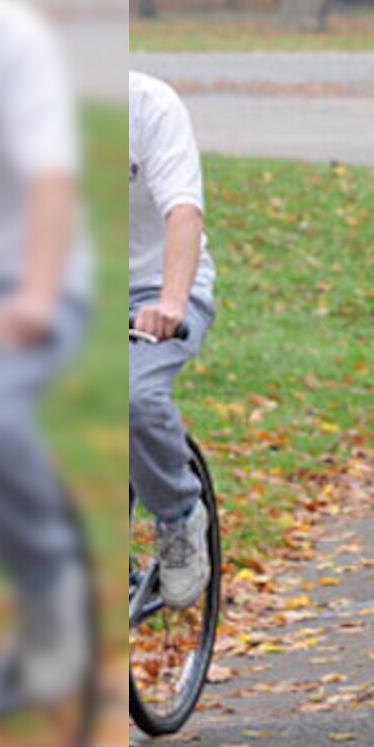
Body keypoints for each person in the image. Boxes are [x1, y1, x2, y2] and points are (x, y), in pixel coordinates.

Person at [0, 0, 92, 714]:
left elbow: (50, 181)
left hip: (26, 280)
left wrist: (36, 297)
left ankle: (51, 581)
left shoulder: (7, 37)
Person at [129, 71, 216, 609]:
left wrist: (172, 302)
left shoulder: (149, 106)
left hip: (157, 289)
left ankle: (180, 515)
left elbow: (183, 210)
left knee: (133, 397)